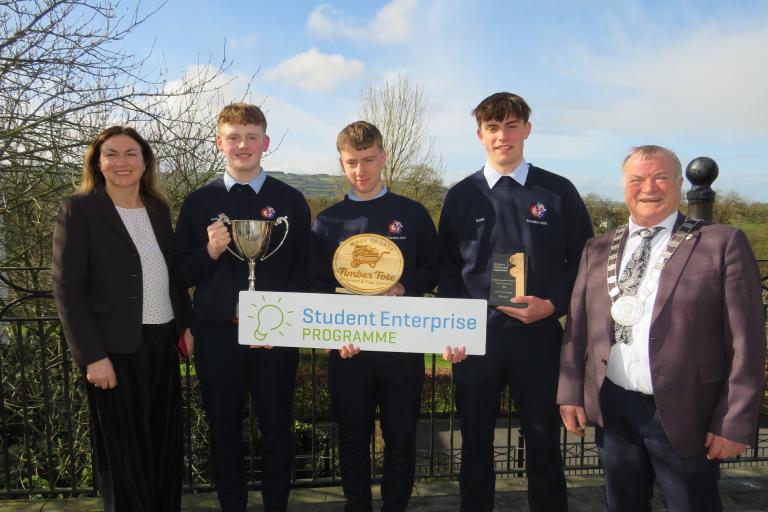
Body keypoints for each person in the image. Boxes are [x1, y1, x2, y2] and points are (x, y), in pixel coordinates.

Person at [557, 145, 766, 512]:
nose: (648, 187)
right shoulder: (597, 247)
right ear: (624, 185)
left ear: (679, 183)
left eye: (660, 177)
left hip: (688, 410)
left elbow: (747, 343)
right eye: (637, 179)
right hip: (615, 409)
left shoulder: (722, 243)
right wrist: (571, 391)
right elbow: (578, 326)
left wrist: (734, 420)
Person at [438, 92, 593, 511]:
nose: (502, 136)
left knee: (543, 443)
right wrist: (453, 326)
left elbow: (585, 258)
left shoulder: (558, 191)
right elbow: (448, 269)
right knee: (474, 443)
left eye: (510, 126)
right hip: (476, 339)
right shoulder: (460, 196)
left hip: (538, 335)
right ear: (479, 135)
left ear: (527, 129)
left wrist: (554, 304)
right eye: (492, 128)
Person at [171, 103, 310, 512]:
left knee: (277, 432)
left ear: (265, 142)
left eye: (251, 136)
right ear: (220, 143)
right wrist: (209, 250)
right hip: (218, 336)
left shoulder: (291, 201)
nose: (243, 145)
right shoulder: (200, 202)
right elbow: (179, 274)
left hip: (275, 338)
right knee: (223, 434)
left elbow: (303, 274)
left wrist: (282, 325)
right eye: (233, 136)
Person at [52, 126, 192, 511]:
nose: (122, 162)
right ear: (98, 162)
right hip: (112, 350)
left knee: (164, 449)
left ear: (145, 162)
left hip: (162, 343)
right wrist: (92, 356)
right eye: (111, 154)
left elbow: (171, 273)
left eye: (131, 153)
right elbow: (67, 289)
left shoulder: (158, 210)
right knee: (122, 457)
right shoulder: (78, 209)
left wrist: (185, 325)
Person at [309, 121, 439, 512]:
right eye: (352, 162)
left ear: (383, 157)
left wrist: (406, 286)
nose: (361, 171)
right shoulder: (327, 221)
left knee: (401, 439)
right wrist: (333, 335)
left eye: (368, 160)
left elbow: (435, 268)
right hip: (349, 353)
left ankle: (395, 506)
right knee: (351, 438)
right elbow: (314, 287)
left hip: (402, 350)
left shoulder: (412, 214)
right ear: (341, 163)